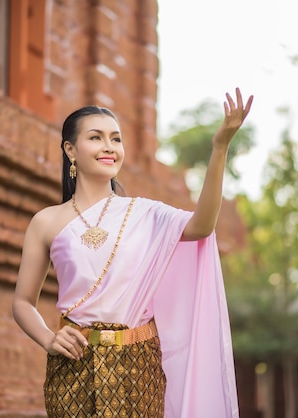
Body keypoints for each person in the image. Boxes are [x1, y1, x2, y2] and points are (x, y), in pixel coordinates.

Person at [13, 87, 253, 418]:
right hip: (72, 366)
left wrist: (220, 147)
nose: (109, 147)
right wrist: (48, 339)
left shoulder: (146, 214)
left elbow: (202, 225)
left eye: (116, 139)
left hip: (137, 367)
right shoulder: (46, 222)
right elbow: (22, 302)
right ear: (70, 149)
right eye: (96, 138)